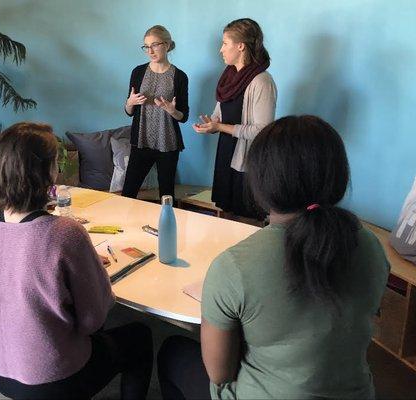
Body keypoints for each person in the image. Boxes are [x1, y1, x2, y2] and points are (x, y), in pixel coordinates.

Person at [158, 115, 390, 399]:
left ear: (261, 180)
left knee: (171, 352)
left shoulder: (233, 266)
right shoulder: (371, 246)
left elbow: (219, 373)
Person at [0, 122, 153, 399]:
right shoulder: (65, 233)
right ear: (48, 173)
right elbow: (92, 320)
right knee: (139, 337)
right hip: (53, 379)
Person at [194, 18, 276, 220]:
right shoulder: (229, 75)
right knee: (227, 213)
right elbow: (219, 112)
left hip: (247, 161)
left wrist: (220, 126)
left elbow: (262, 130)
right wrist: (210, 125)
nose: (221, 50)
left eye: (225, 43)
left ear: (240, 46)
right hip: (226, 153)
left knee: (247, 219)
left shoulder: (262, 81)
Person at [122, 25, 189, 200]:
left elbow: (184, 116)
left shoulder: (180, 76)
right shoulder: (138, 72)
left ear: (166, 45)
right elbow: (129, 111)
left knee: (167, 197)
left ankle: (166, 227)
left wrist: (172, 110)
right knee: (128, 193)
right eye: (146, 46)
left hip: (167, 142)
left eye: (155, 45)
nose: (150, 51)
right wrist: (130, 103)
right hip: (141, 140)